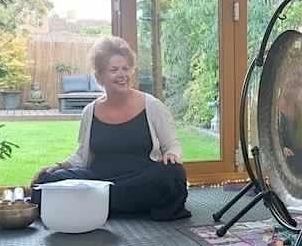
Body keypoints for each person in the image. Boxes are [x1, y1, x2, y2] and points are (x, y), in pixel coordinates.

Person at [31, 36, 190, 221]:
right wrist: (59, 167)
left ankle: (97, 204)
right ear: (100, 77)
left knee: (173, 175)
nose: (122, 75)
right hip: (98, 179)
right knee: (46, 181)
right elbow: (82, 154)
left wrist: (172, 154)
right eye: (114, 70)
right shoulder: (90, 111)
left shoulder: (152, 105)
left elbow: (172, 144)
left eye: (126, 69)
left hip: (140, 177)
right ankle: (119, 203)